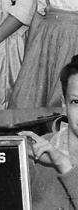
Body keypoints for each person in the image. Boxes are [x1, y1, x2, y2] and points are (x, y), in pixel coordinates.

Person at [22, 56, 78, 210]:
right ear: (64, 105)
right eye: (76, 102)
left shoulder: (55, 157)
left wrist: (63, 164)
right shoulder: (36, 152)